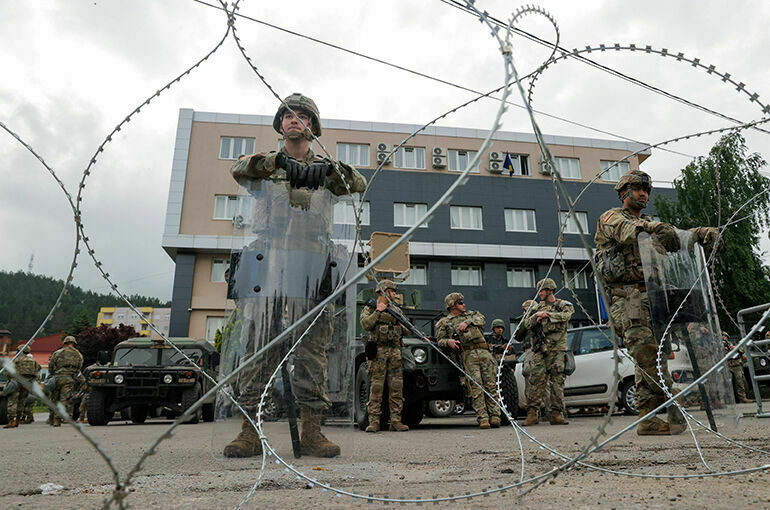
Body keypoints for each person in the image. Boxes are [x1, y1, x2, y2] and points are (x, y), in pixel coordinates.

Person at [222, 93, 367, 458]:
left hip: (313, 265)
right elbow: (240, 170)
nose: (293, 120)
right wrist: (279, 164)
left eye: (302, 116)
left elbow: (359, 184)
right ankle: (249, 431)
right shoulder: (264, 164)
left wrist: (331, 171)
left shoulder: (327, 168)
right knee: (259, 348)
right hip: (268, 263)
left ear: (313, 127)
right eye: (287, 115)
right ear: (280, 125)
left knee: (312, 352)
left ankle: (313, 431)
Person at [595, 169, 718, 435]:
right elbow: (629, 232)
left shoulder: (651, 222)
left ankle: (648, 418)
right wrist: (655, 227)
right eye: (638, 189)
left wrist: (698, 234)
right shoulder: (610, 217)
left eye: (647, 190)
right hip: (627, 299)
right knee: (647, 353)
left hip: (655, 298)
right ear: (623, 193)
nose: (644, 194)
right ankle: (672, 398)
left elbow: (676, 236)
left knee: (653, 357)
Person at [436, 293, 501, 428]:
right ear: (452, 306)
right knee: (475, 387)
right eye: (460, 302)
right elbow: (439, 340)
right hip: (468, 355)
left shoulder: (473, 315)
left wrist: (467, 322)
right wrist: (448, 341)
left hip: (484, 352)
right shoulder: (444, 322)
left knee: (491, 384)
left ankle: (495, 416)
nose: (463, 304)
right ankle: (483, 417)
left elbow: (482, 319)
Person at [359, 279, 410, 433]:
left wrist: (400, 325)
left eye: (394, 291)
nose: (394, 294)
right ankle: (374, 421)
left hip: (395, 352)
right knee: (376, 387)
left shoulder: (396, 310)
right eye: (392, 291)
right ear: (383, 292)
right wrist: (378, 311)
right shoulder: (370, 308)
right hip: (378, 352)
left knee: (396, 387)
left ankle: (395, 421)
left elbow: (407, 330)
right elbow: (366, 324)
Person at [522, 278, 573, 426]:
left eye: (541, 291)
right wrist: (535, 318)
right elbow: (526, 324)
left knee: (557, 382)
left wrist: (548, 315)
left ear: (549, 290)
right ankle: (532, 414)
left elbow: (567, 316)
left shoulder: (562, 305)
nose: (539, 294)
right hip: (540, 349)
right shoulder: (536, 308)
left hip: (557, 350)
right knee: (536, 381)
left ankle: (556, 414)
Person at [48, 336, 84, 427]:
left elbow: (51, 365)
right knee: (64, 399)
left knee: (54, 398)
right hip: (69, 379)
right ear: (74, 343)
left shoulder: (58, 352)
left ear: (64, 343)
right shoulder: (78, 355)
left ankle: (51, 418)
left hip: (57, 378)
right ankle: (57, 420)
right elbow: (78, 369)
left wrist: (53, 374)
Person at [3, 346, 40, 429]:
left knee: (12, 401)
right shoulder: (33, 361)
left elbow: (7, 372)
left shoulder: (16, 360)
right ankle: (18, 420)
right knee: (21, 402)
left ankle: (11, 420)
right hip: (27, 384)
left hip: (16, 382)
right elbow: (37, 373)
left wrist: (10, 380)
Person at [723, 331, 752, 404]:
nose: (724, 338)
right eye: (723, 336)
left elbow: (742, 350)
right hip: (727, 365)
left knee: (740, 382)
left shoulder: (731, 344)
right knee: (727, 383)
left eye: (725, 336)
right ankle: (728, 400)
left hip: (737, 365)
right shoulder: (719, 345)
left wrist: (735, 348)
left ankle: (743, 398)